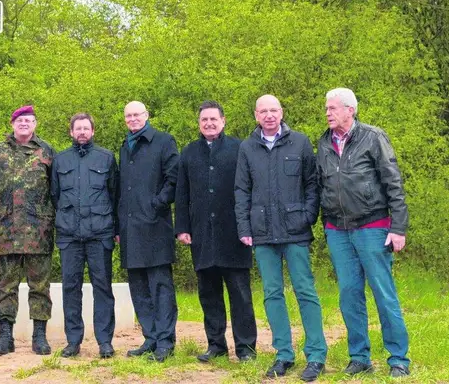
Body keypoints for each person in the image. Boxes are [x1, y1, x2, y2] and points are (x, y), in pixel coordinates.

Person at [318, 88, 412, 378]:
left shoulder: (373, 137)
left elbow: (393, 182)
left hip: (372, 226)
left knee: (383, 293)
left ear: (350, 110)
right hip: (338, 230)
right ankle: (359, 357)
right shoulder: (323, 142)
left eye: (333, 108)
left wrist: (398, 227)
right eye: (326, 108)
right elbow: (320, 185)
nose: (328, 113)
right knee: (349, 295)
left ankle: (398, 359)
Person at [234, 95, 327, 381]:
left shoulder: (300, 142)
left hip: (295, 230)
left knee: (305, 291)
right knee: (272, 294)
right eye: (263, 111)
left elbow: (312, 183)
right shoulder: (247, 147)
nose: (269, 115)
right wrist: (244, 228)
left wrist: (308, 216)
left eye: (273, 110)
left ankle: (316, 355)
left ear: (282, 112)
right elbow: (241, 190)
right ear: (256, 115)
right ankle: (283, 354)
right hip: (262, 233)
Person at [176, 101, 257, 363]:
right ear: (198, 123)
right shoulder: (189, 152)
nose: (209, 123)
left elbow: (250, 189)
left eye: (213, 119)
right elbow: (182, 194)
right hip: (202, 234)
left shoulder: (239, 148)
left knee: (240, 295)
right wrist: (182, 228)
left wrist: (249, 225)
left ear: (223, 121)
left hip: (235, 234)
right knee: (209, 294)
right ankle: (216, 345)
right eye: (204, 120)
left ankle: (246, 348)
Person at [0, 105, 58, 355]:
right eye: (19, 120)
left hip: (39, 231)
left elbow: (57, 190)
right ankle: (6, 336)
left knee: (40, 286)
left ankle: (40, 336)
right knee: (6, 286)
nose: (24, 124)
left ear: (35, 124)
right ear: (12, 124)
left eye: (28, 120)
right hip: (6, 230)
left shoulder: (47, 151)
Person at [50, 112, 119, 359]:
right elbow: (55, 195)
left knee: (103, 288)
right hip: (69, 236)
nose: (82, 132)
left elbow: (115, 195)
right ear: (71, 132)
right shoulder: (60, 160)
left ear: (93, 131)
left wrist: (115, 229)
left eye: (86, 128)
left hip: (100, 234)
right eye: (77, 128)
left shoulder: (106, 158)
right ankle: (73, 341)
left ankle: (105, 341)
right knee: (71, 288)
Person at [116, 100, 180, 361]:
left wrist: (157, 204)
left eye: (137, 114)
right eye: (128, 116)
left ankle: (165, 341)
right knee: (138, 286)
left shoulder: (164, 141)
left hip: (155, 225)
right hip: (130, 228)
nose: (133, 119)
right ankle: (150, 338)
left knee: (160, 286)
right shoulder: (125, 145)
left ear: (147, 115)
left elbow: (173, 179)